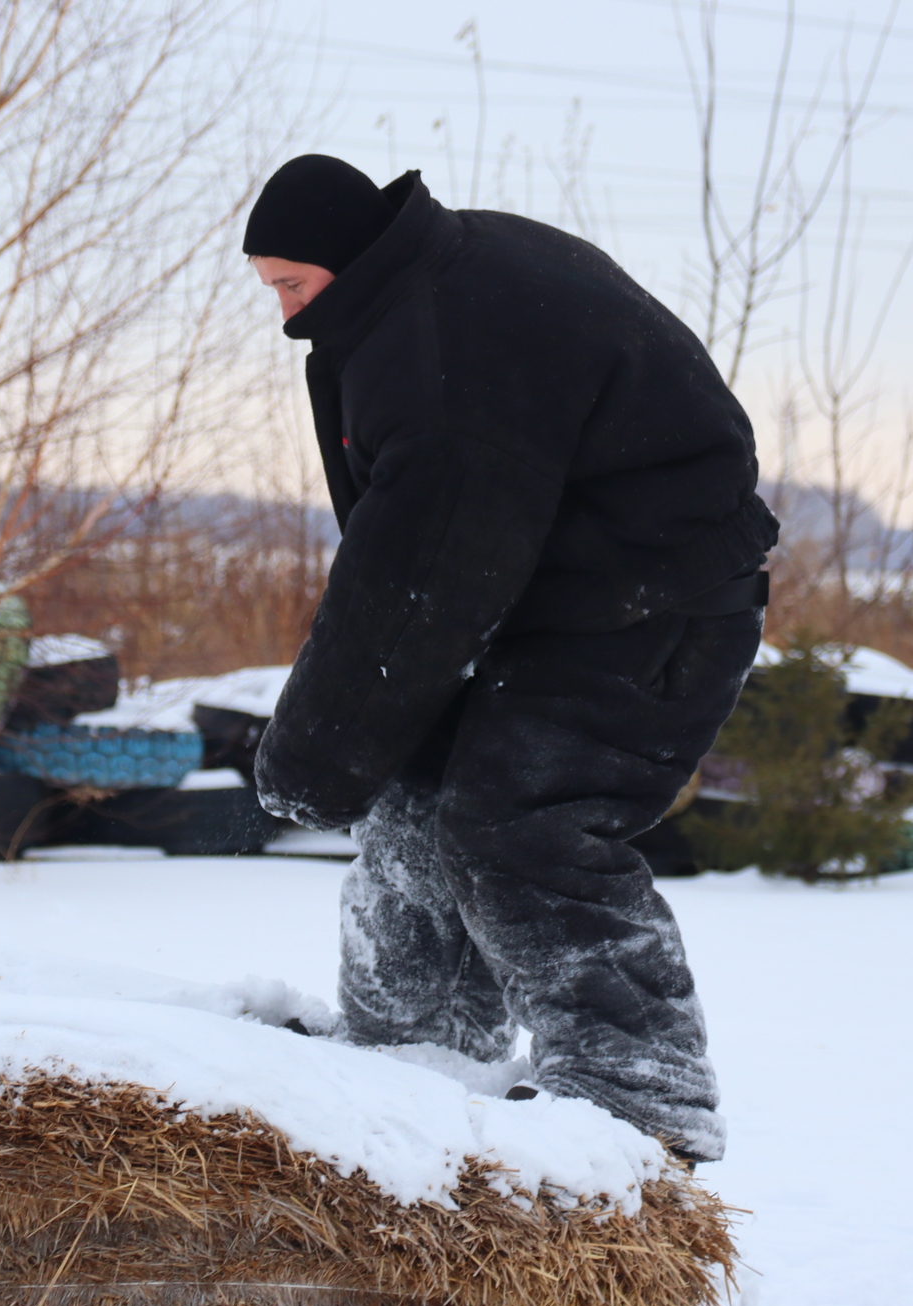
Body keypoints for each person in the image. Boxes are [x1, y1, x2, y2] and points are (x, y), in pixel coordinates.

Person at [246, 154, 776, 1167]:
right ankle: (407, 1066)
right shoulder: (427, 281)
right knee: (409, 814)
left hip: (649, 605)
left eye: (289, 285)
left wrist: (309, 758)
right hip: (549, 602)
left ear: (343, 259)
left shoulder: (442, 344)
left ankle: (641, 1106)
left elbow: (416, 581)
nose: (280, 313)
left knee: (521, 826)